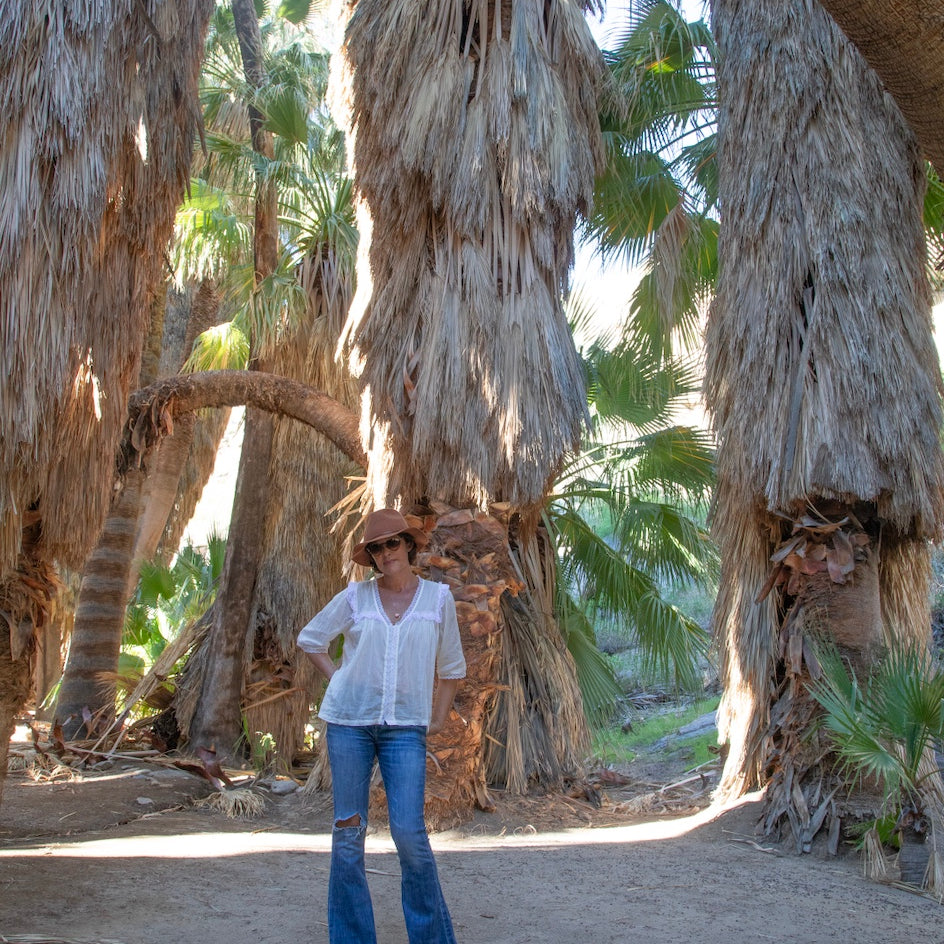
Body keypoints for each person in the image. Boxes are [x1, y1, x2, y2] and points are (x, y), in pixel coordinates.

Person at [297, 508, 465, 944]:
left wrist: (439, 716)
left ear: (409, 545)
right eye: (376, 547)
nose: (386, 552)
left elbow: (452, 667)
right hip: (349, 725)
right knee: (348, 834)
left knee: (409, 834)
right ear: (370, 556)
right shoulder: (355, 598)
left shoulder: (437, 599)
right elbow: (311, 639)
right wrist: (340, 680)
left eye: (393, 543)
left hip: (405, 730)